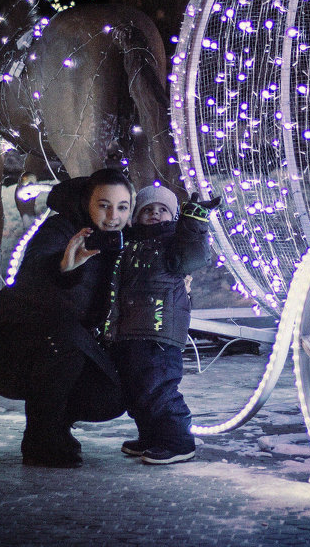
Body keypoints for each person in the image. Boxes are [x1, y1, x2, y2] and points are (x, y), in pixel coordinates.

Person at [0, 168, 133, 467]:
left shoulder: (121, 240)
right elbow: (34, 268)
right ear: (87, 202)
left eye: (122, 207)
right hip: (10, 349)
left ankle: (57, 423)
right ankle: (41, 438)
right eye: (103, 205)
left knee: (116, 390)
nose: (113, 216)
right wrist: (63, 267)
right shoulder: (61, 229)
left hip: (68, 346)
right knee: (65, 343)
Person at [103, 185, 218, 464]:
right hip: (129, 330)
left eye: (162, 209)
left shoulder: (174, 242)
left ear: (173, 216)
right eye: (147, 210)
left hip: (160, 328)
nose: (155, 214)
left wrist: (194, 222)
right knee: (136, 388)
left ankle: (178, 441)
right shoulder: (126, 242)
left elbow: (195, 255)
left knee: (158, 386)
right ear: (135, 216)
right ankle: (152, 437)